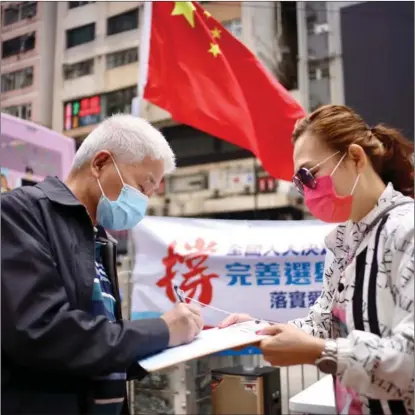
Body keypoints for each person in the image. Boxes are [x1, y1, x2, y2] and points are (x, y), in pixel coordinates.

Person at [1, 114, 204, 415]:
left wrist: (174, 342)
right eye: (142, 186)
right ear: (99, 163)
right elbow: (42, 332)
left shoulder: (100, 239)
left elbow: (99, 343)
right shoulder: (21, 213)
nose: (143, 201)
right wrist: (161, 330)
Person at [220, 105, 414, 414]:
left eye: (309, 175)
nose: (306, 192)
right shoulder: (343, 242)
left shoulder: (407, 230)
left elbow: (411, 358)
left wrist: (319, 352)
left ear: (356, 158)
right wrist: (261, 330)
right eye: (299, 183)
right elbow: (324, 324)